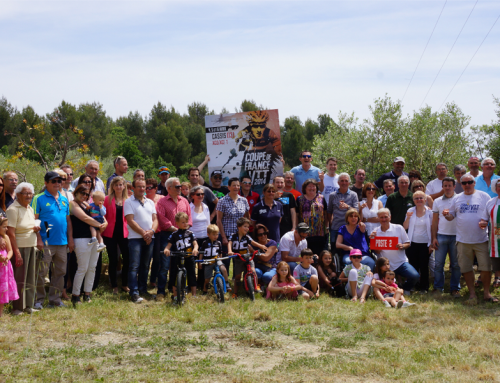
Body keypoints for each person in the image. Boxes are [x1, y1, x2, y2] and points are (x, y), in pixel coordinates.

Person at [446, 174, 494, 304]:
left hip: (481, 239)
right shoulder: (457, 199)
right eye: (464, 183)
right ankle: (472, 294)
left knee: (486, 268)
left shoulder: (484, 196)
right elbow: (451, 216)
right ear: (461, 185)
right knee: (466, 268)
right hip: (463, 240)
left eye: (470, 182)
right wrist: (447, 215)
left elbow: (492, 215)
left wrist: (486, 222)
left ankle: (486, 293)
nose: (467, 185)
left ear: (474, 183)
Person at [32, 171, 74, 309]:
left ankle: (55, 300)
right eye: (53, 181)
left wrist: (70, 239)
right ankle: (38, 300)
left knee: (60, 272)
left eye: (59, 181)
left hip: (62, 243)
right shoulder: (39, 198)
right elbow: (34, 221)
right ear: (46, 183)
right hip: (45, 243)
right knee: (42, 272)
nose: (57, 183)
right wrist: (38, 239)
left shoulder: (64, 199)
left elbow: (68, 221)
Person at [6, 183, 42, 315]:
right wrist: (17, 253)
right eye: (25, 193)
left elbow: (28, 226)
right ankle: (17, 307)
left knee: (30, 278)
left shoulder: (29, 209)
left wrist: (35, 228)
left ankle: (28, 305)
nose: (28, 196)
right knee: (20, 278)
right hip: (20, 247)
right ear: (19, 194)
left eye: (30, 193)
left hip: (31, 246)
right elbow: (11, 233)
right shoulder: (13, 209)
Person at [69, 185, 107, 305]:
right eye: (82, 193)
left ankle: (87, 293)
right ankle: (75, 295)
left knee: (92, 268)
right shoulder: (73, 204)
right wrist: (100, 225)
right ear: (76, 192)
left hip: (93, 239)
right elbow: (85, 218)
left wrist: (105, 223)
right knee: (82, 268)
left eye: (86, 194)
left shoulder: (87, 204)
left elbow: (102, 217)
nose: (84, 196)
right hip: (81, 239)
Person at [156, 177, 192, 300]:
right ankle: (161, 291)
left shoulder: (184, 201)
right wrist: (174, 229)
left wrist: (186, 228)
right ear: (169, 188)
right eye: (177, 186)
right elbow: (161, 218)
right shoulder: (162, 202)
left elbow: (189, 217)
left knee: (180, 263)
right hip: (167, 235)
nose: (180, 189)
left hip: (183, 236)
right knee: (165, 265)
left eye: (180, 186)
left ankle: (176, 288)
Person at [370, 208, 419, 295]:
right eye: (381, 217)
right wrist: (373, 241)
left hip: (401, 263)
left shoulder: (398, 228)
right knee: (380, 281)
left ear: (390, 217)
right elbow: (376, 252)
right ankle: (389, 291)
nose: (384, 219)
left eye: (385, 217)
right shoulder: (375, 232)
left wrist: (403, 246)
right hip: (385, 266)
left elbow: (408, 243)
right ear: (378, 218)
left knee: (415, 276)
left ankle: (404, 288)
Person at [124, 179, 158, 303]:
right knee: (134, 266)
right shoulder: (129, 202)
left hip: (150, 238)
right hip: (135, 239)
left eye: (144, 187)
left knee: (145, 266)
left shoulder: (150, 202)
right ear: (133, 188)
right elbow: (130, 220)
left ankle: (143, 290)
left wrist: (151, 232)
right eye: (139, 187)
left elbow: (155, 219)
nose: (142, 189)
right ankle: (134, 292)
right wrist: (144, 233)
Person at [431, 177, 461, 297]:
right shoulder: (437, 201)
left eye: (450, 185)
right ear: (442, 187)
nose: (447, 188)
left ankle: (455, 289)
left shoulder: (460, 199)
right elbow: (434, 222)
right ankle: (438, 288)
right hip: (441, 235)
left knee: (455, 264)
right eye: (445, 185)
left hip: (457, 236)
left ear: (454, 186)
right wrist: (434, 237)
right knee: (438, 264)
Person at [102, 176, 130, 295]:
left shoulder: (128, 200)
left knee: (127, 259)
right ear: (113, 186)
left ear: (124, 186)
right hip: (110, 233)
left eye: (121, 184)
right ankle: (114, 285)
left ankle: (124, 284)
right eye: (116, 184)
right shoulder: (107, 199)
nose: (119, 187)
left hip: (125, 233)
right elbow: (102, 214)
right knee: (113, 260)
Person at [403, 191, 434, 294]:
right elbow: (405, 227)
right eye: (416, 198)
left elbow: (433, 228)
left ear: (425, 200)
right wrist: (407, 217)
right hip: (412, 243)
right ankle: (413, 285)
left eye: (421, 198)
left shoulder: (430, 212)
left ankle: (424, 287)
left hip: (425, 243)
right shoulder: (410, 211)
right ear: (413, 200)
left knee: (424, 266)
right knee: (413, 265)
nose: (419, 200)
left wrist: (432, 244)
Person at [164, 212, 199, 302]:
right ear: (177, 223)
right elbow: (168, 245)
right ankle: (175, 295)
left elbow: (195, 244)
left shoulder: (190, 233)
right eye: (182, 222)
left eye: (186, 222)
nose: (185, 224)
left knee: (192, 274)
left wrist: (195, 249)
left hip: (189, 257)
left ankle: (194, 295)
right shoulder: (174, 234)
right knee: (174, 275)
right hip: (177, 257)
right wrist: (167, 249)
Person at [228, 217, 266, 297]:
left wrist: (261, 246)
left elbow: (253, 242)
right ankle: (235, 292)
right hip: (238, 258)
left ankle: (256, 286)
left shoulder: (247, 237)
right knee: (237, 276)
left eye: (248, 227)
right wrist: (229, 251)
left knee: (253, 271)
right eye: (245, 226)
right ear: (239, 227)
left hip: (247, 257)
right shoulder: (233, 236)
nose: (247, 228)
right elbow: (229, 243)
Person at [327, 173, 359, 255]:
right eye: (342, 181)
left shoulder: (353, 195)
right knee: (335, 250)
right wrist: (331, 223)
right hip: (336, 227)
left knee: (349, 250)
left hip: (349, 228)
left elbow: (356, 211)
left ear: (349, 183)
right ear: (338, 182)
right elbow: (329, 211)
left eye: (346, 181)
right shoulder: (332, 195)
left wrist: (348, 207)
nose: (344, 183)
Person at [216, 177, 249, 252]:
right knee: (226, 261)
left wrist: (246, 230)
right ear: (229, 187)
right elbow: (219, 220)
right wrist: (223, 237)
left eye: (238, 186)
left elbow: (247, 217)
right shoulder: (222, 201)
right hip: (227, 235)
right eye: (234, 185)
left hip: (240, 235)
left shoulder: (244, 200)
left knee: (240, 260)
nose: (236, 187)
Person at [296, 179, 328, 255]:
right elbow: (297, 215)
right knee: (307, 255)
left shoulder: (321, 198)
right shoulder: (299, 199)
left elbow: (326, 214)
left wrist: (327, 227)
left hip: (320, 232)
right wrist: (297, 229)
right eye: (309, 186)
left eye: (313, 186)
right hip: (305, 233)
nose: (312, 188)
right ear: (305, 188)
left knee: (320, 255)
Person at [480, 178, 500, 289]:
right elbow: (484, 218)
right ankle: (498, 277)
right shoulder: (491, 202)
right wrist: (482, 223)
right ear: (495, 188)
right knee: (496, 256)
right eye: (499, 186)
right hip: (495, 235)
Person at [189, 186, 211, 289]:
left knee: (204, 263)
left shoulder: (205, 206)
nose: (201, 196)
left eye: (202, 194)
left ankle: (202, 284)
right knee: (192, 264)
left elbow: (208, 223)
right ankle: (192, 284)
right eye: (198, 194)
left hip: (205, 238)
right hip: (193, 239)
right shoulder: (189, 207)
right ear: (192, 196)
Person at [199, 224, 230, 295]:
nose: (216, 236)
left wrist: (221, 260)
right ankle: (205, 291)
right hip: (208, 262)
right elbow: (201, 253)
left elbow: (220, 253)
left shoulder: (218, 243)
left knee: (224, 270)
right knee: (207, 279)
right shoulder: (205, 243)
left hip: (217, 260)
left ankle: (227, 283)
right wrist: (200, 262)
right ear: (208, 234)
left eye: (217, 234)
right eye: (213, 234)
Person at [0, 217, 19, 316]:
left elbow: (10, 250)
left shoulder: (6, 237)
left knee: (2, 289)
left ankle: (0, 313)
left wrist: (7, 258)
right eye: (4, 227)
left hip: (4, 267)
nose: (7, 229)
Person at [145, 178, 162, 288]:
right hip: (146, 232)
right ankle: (143, 279)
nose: (148, 189)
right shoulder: (143, 199)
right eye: (146, 188)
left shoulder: (162, 199)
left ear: (156, 188)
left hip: (159, 232)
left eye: (150, 187)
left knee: (157, 258)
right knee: (146, 258)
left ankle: (153, 280)